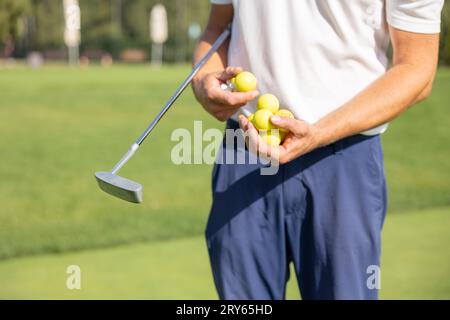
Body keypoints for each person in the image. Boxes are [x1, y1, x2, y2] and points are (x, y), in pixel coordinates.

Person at [192, 0, 443, 300]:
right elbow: (218, 27)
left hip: (345, 155)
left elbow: (418, 68)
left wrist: (319, 133)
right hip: (245, 147)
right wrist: (201, 82)